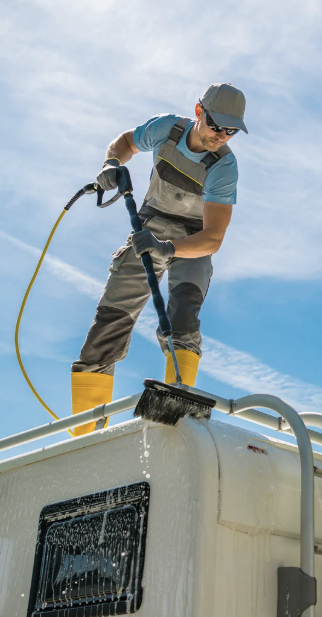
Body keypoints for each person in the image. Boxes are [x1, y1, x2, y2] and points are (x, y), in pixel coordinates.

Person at [69, 83, 247, 435]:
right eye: (216, 126)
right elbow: (125, 142)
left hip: (192, 241)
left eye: (231, 131)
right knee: (109, 323)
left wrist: (169, 248)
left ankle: (175, 409)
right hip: (148, 228)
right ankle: (83, 433)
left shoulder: (224, 168)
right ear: (199, 113)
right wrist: (111, 163)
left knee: (183, 313)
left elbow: (212, 238)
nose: (221, 137)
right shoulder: (167, 129)